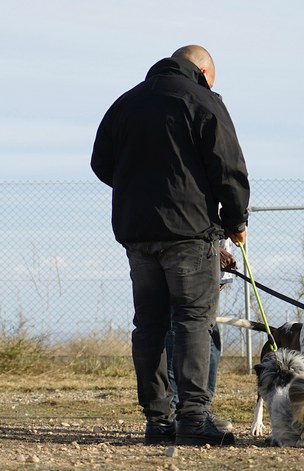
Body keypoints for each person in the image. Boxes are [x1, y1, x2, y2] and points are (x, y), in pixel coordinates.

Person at [91, 45, 250, 446]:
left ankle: (158, 421)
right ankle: (194, 419)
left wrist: (139, 188)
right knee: (193, 321)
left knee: (149, 326)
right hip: (189, 232)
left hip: (138, 233)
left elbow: (101, 164)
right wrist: (235, 221)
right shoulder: (203, 100)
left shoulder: (125, 103)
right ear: (203, 72)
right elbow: (228, 165)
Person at [165, 240, 236, 431]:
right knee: (178, 334)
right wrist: (212, 249)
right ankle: (182, 412)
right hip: (188, 255)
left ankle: (199, 410)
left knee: (208, 336)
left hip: (206, 256)